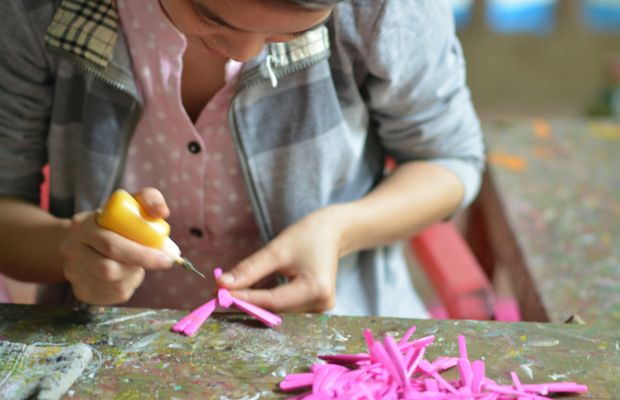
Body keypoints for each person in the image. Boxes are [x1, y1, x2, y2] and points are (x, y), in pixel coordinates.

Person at [0, 0, 484, 318]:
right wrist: (70, 250)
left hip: (339, 346)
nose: (244, 52)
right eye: (209, 18)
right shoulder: (36, 12)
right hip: (105, 348)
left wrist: (338, 230)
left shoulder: (384, 8)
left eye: (287, 36)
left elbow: (450, 158)